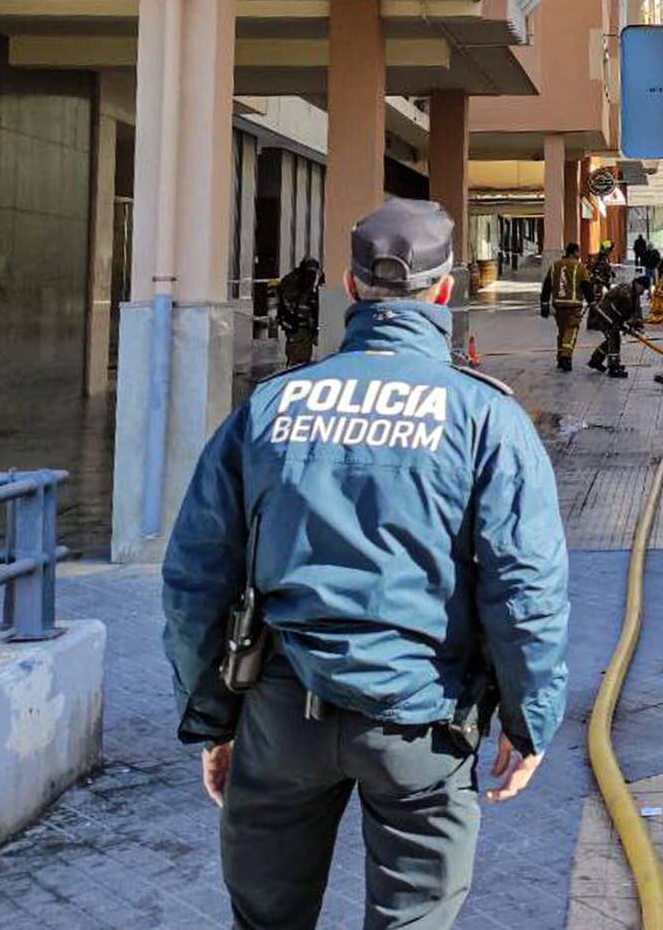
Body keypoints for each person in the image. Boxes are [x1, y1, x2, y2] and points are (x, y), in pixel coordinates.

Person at [161, 198, 568, 930]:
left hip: (281, 713)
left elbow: (196, 576)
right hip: (421, 723)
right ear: (446, 292)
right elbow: (524, 586)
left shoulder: (270, 407)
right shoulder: (487, 418)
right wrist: (527, 716)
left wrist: (214, 717)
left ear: (350, 287)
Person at [539, 241, 587, 372]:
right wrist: (592, 302)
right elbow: (586, 286)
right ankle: (566, 356)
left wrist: (544, 304)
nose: (579, 254)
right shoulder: (580, 267)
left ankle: (560, 357)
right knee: (571, 332)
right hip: (574, 306)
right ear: (575, 252)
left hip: (558, 305)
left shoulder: (555, 266)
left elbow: (547, 286)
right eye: (578, 252)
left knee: (562, 332)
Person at [586, 277, 644, 378]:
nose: (644, 291)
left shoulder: (634, 294)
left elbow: (636, 312)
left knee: (610, 340)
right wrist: (626, 325)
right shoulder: (625, 292)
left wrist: (635, 325)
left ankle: (595, 360)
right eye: (643, 288)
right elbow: (619, 309)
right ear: (638, 284)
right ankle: (613, 367)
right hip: (606, 316)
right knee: (614, 340)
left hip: (613, 318)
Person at [273, 257, 323, 364]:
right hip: (297, 327)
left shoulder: (298, 281)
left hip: (300, 327)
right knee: (298, 359)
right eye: (312, 272)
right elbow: (296, 306)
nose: (313, 276)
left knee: (301, 357)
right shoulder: (295, 282)